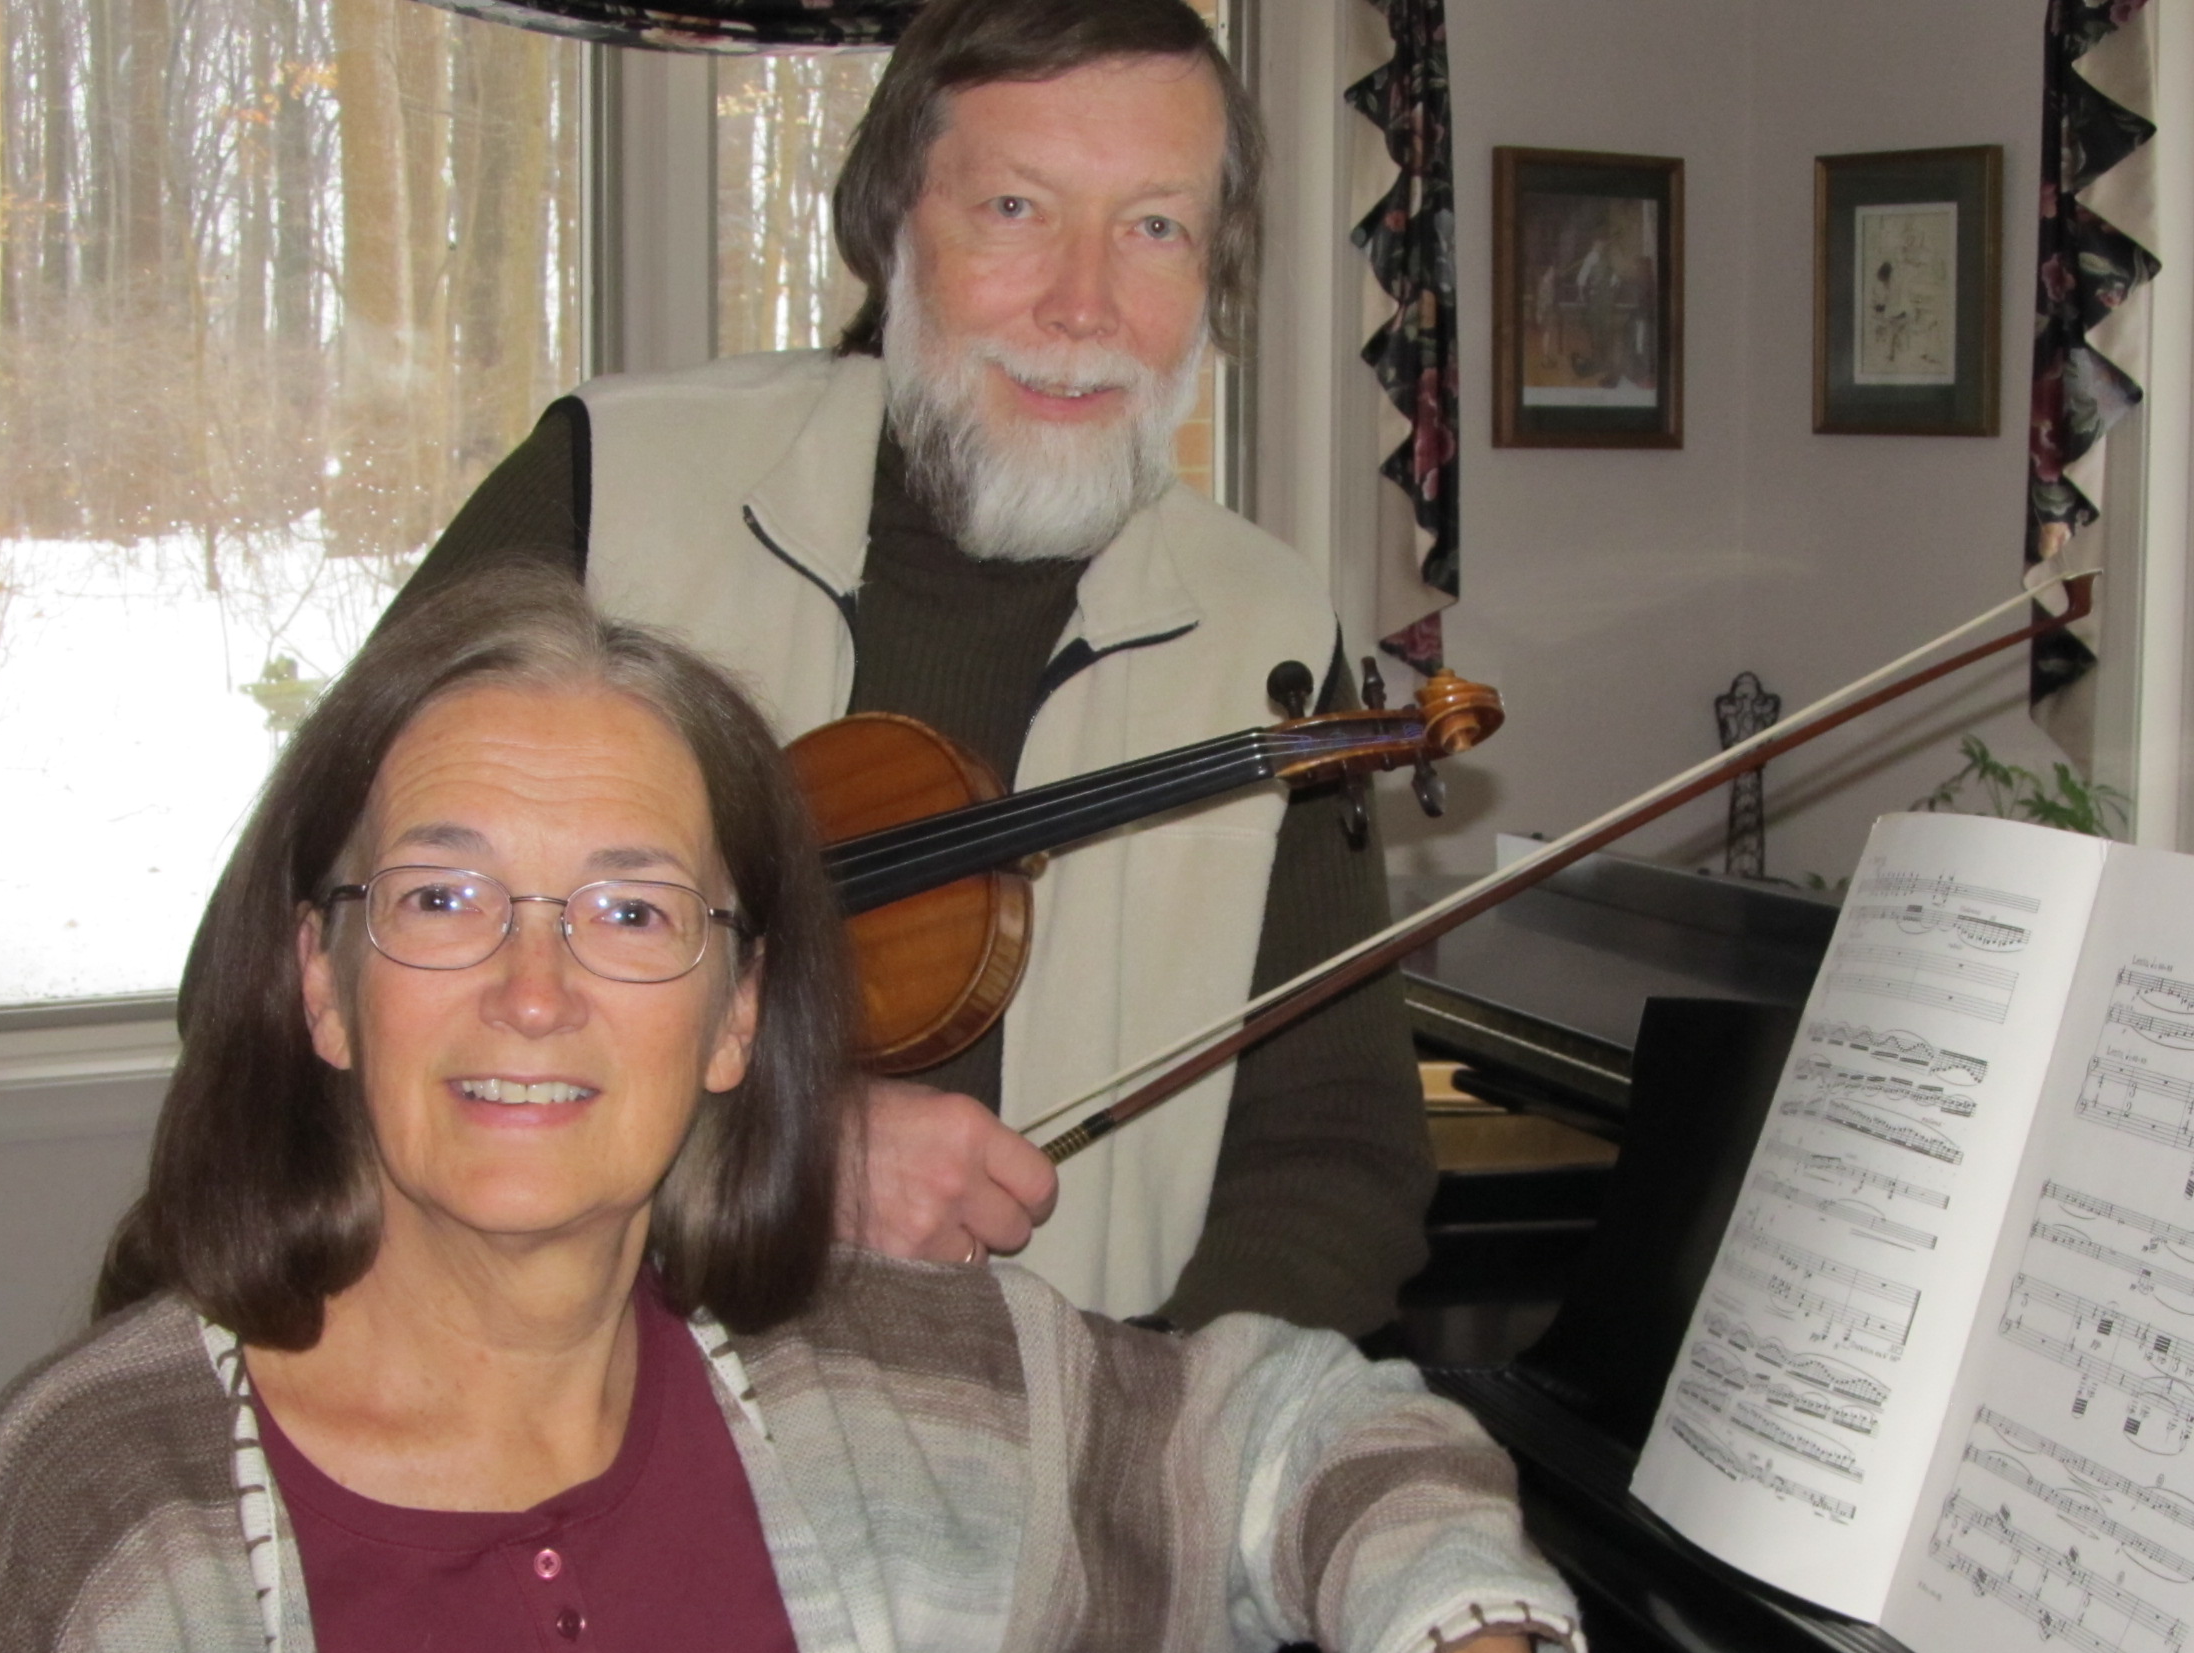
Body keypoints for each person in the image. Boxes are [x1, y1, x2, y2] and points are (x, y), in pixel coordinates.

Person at [0, 567, 1590, 1653]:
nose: (538, 987)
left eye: (634, 912)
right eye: (443, 896)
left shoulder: (845, 1389)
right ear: (320, 983)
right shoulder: (100, 1515)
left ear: (736, 1019)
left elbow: (1300, 1430)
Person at [396, 0, 1434, 1337]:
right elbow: (287, 980)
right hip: (575, 1439)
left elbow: (1337, 1146)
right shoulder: (604, 495)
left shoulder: (1269, 631)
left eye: (1156, 226)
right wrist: (774, 1154)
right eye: (1013, 208)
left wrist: (1140, 1434)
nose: (1084, 302)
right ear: (889, 228)